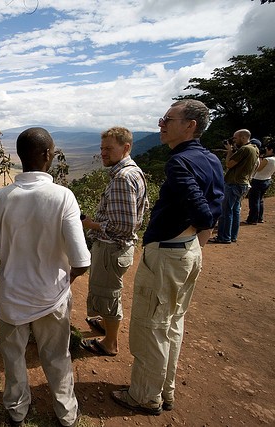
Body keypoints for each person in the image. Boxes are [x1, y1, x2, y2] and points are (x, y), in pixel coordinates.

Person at [0, 127, 90, 427]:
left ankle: (17, 412)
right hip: (53, 297)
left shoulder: (1, 198)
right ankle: (66, 414)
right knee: (57, 357)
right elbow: (82, 261)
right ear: (48, 155)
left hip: (11, 296)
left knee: (13, 358)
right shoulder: (64, 197)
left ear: (20, 157)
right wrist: (64, 282)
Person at [111, 99, 224, 415]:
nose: (161, 124)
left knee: (151, 327)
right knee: (172, 323)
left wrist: (188, 230)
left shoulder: (179, 163)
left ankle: (144, 396)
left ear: (189, 125)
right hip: (189, 252)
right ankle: (165, 391)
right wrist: (196, 239)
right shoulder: (211, 159)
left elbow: (203, 210)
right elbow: (217, 205)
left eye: (168, 119)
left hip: (169, 254)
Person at [81, 127, 148, 357]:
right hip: (119, 249)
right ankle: (105, 324)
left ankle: (110, 343)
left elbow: (124, 226)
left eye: (109, 148)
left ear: (125, 147)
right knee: (108, 291)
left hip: (112, 249)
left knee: (108, 294)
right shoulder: (134, 171)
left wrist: (92, 225)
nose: (103, 153)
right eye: (102, 148)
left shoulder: (122, 177)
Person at [208, 129, 259, 243]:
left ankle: (224, 237)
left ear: (243, 138)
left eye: (235, 138)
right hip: (243, 183)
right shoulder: (254, 148)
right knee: (235, 211)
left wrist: (230, 151)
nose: (233, 140)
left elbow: (229, 164)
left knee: (226, 211)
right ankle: (232, 236)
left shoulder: (245, 149)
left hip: (234, 183)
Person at [246, 140, 275, 224]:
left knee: (254, 201)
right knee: (260, 200)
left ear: (271, 150)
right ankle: (259, 218)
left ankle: (252, 219)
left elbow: (258, 169)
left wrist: (258, 159)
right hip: (267, 180)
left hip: (258, 180)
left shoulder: (267, 160)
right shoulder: (273, 159)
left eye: (267, 149)